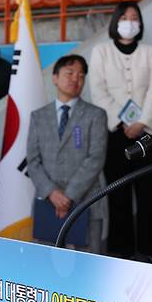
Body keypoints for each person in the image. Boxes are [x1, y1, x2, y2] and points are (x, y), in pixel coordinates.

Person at [89, 1, 152, 260]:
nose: (130, 21)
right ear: (116, 21)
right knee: (118, 194)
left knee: (148, 195)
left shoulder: (150, 52)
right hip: (114, 133)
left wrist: (142, 123)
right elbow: (98, 90)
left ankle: (151, 252)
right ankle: (120, 251)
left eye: (135, 17)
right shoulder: (101, 52)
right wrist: (122, 122)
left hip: (147, 133)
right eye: (125, 16)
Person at [27, 55, 108, 254]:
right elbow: (33, 161)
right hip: (48, 203)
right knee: (46, 267)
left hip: (86, 202)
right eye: (69, 73)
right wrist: (52, 193)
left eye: (81, 76)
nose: (75, 79)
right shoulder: (38, 116)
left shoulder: (95, 114)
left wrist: (69, 195)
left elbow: (95, 158)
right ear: (55, 78)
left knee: (88, 269)